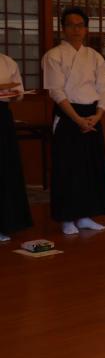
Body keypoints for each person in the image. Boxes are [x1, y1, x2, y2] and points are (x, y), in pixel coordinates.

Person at [43, 6, 105, 236]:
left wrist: (98, 114)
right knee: (67, 167)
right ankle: (66, 218)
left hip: (92, 114)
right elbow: (56, 92)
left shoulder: (94, 56)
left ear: (86, 29)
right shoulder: (53, 56)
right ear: (63, 29)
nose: (76, 29)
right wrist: (77, 120)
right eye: (71, 25)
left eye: (80, 25)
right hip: (68, 115)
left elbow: (103, 88)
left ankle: (85, 215)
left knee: (89, 167)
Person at [0, 53, 32, 241]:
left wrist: (14, 94)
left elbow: (18, 91)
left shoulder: (7, 61)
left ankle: (6, 224)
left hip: (2, 116)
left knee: (5, 168)